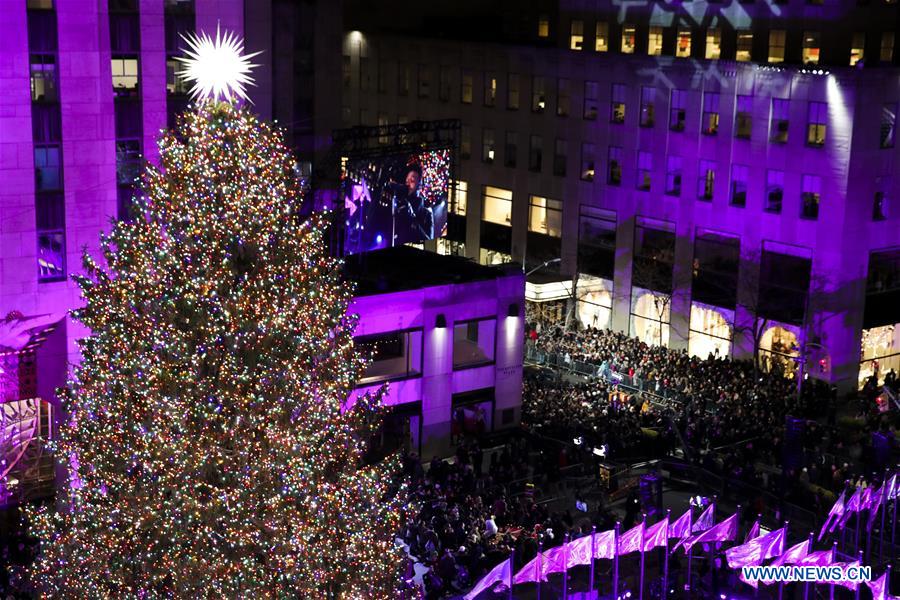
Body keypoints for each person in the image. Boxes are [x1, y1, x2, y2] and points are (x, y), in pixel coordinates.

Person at [393, 164, 434, 242]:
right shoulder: (399, 205)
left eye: (412, 181)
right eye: (407, 181)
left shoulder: (427, 213)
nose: (408, 184)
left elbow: (428, 241)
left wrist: (411, 218)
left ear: (419, 185)